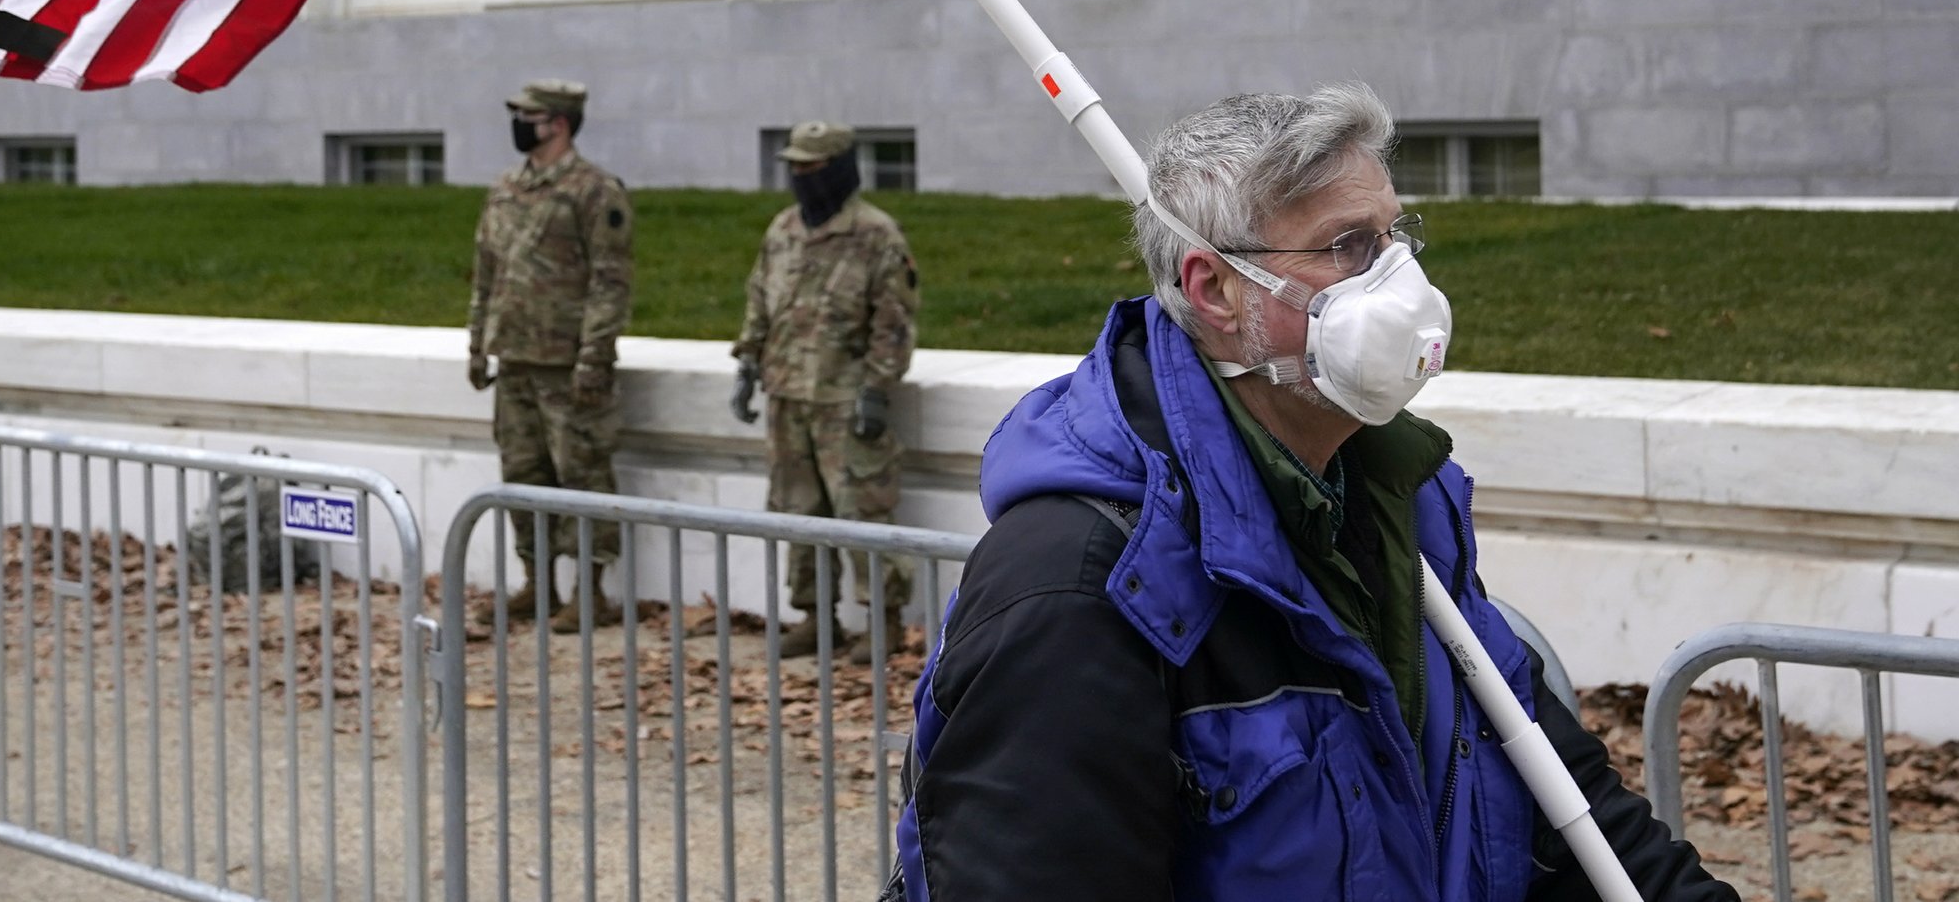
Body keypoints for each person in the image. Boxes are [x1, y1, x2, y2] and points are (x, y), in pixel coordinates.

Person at [890, 85, 1737, 902]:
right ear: (1214, 288)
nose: (1399, 280)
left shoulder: (1398, 506)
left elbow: (1567, 814)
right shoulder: (1085, 586)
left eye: (1396, 235)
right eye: (1350, 246)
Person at [731, 120, 920, 661]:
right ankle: (816, 616)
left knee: (862, 509)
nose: (800, 178)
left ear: (838, 169)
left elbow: (895, 322)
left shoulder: (876, 235)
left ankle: (882, 620)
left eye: (811, 169)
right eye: (793, 168)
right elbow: (759, 300)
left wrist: (877, 388)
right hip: (788, 394)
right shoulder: (783, 230)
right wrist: (748, 363)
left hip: (845, 400)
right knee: (798, 510)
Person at [467, 77, 634, 632]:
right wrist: (477, 341)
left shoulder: (594, 191)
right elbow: (486, 272)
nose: (519, 124)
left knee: (582, 477)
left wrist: (594, 356)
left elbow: (611, 283)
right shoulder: (506, 188)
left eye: (529, 116)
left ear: (558, 123)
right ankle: (537, 584)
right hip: (514, 358)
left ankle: (591, 593)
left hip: (567, 366)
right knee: (522, 476)